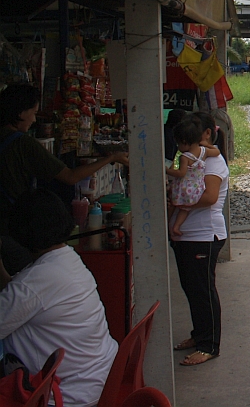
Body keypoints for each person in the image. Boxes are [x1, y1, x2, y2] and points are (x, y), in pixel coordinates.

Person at [0, 189, 118, 407]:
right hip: (99, 376)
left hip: (68, 394)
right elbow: (21, 295)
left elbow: (22, 298)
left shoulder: (34, 283)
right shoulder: (65, 260)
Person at [0, 84, 128, 274]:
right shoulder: (23, 144)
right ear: (20, 111)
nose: (34, 120)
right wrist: (111, 158)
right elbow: (70, 176)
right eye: (33, 113)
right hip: (11, 229)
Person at [169, 112, 228, 366]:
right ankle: (199, 334)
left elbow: (209, 197)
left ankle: (209, 345)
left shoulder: (212, 163)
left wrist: (177, 200)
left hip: (204, 235)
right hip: (186, 236)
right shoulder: (193, 157)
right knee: (191, 288)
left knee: (203, 290)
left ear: (206, 134)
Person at [165, 119, 221, 238]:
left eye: (178, 144)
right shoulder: (204, 152)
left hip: (185, 188)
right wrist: (207, 145)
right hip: (197, 188)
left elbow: (181, 173)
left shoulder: (184, 157)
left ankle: (169, 226)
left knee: (175, 204)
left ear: (184, 142)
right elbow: (217, 152)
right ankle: (176, 226)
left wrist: (166, 170)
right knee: (185, 209)